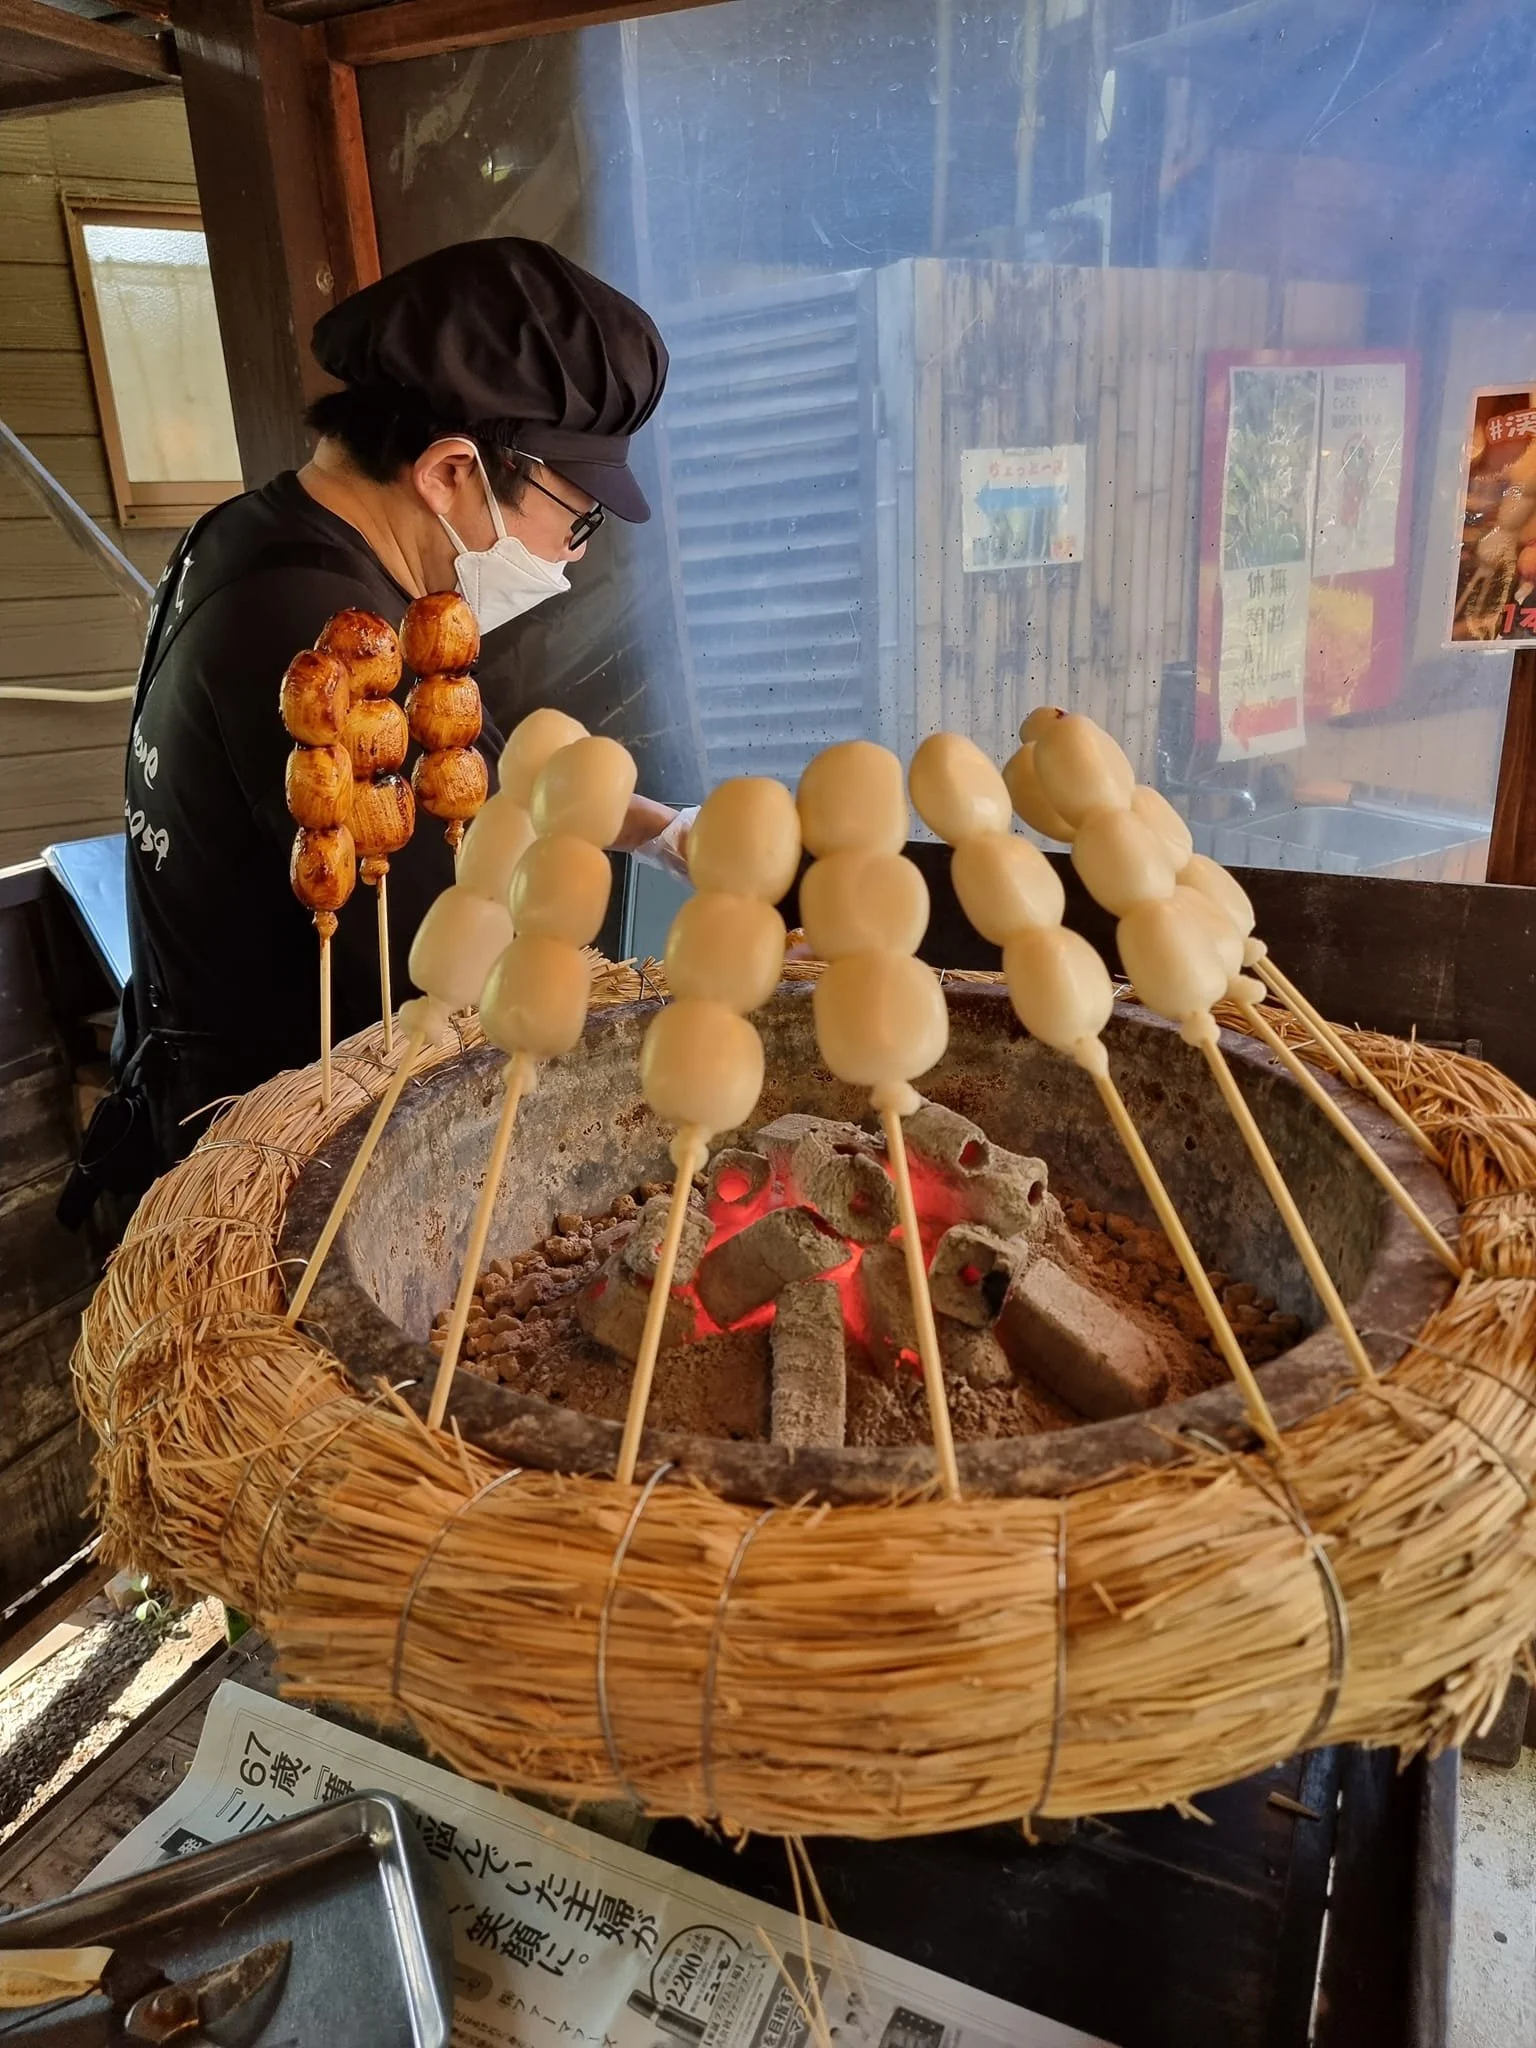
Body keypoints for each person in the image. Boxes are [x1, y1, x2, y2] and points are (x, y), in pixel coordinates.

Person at [63, 238, 689, 1221]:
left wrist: (662, 829)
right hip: (276, 1171)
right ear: (450, 472)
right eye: (578, 516)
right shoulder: (323, 646)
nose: (571, 552)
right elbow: (457, 974)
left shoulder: (257, 536)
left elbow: (467, 765)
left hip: (193, 1076)